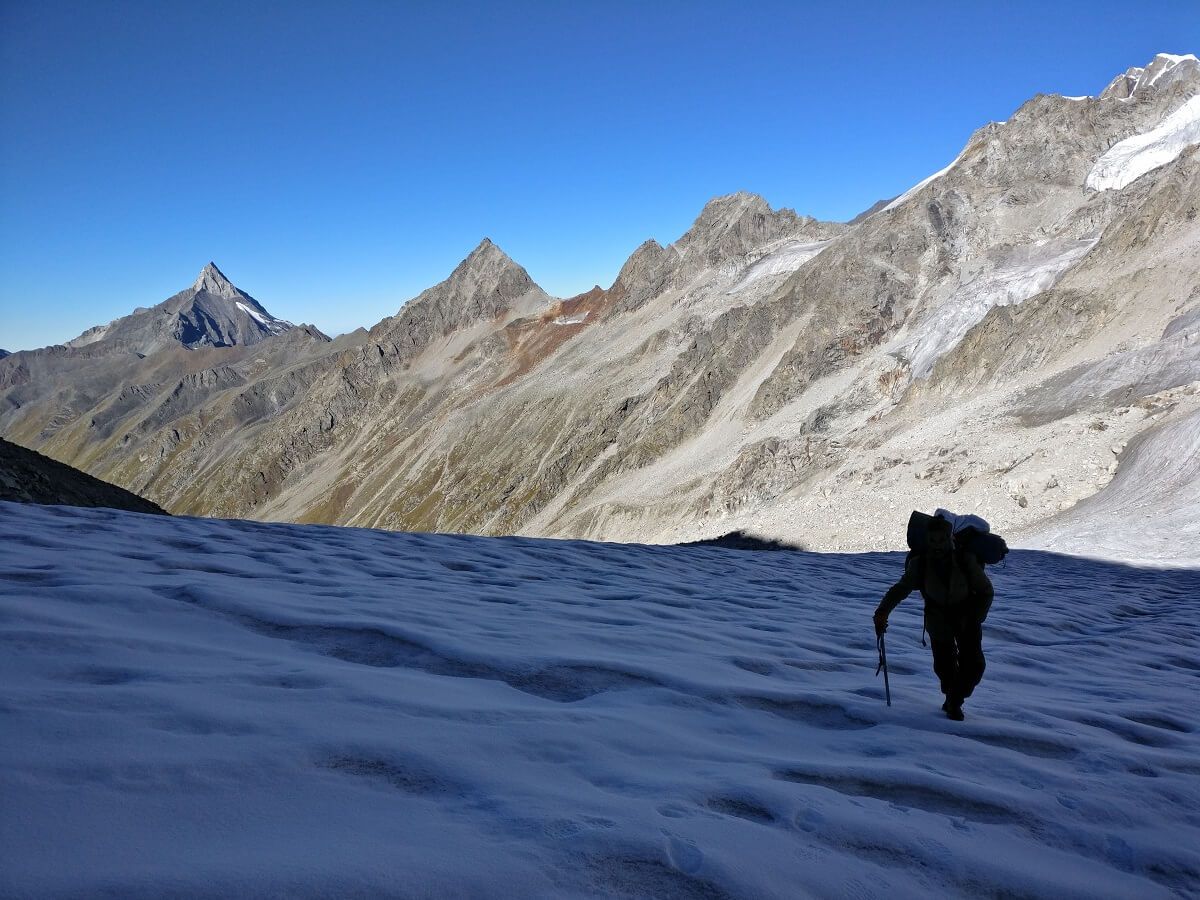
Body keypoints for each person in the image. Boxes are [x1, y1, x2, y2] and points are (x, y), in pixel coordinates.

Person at [873, 515, 994, 721]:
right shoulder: (920, 565)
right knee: (945, 667)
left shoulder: (965, 561)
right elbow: (901, 588)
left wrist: (975, 618)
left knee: (974, 666)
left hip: (967, 618)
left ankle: (955, 700)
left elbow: (985, 591)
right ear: (927, 541)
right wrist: (882, 612)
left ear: (951, 539)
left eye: (942, 540)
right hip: (938, 621)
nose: (937, 545)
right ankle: (953, 700)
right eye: (933, 540)